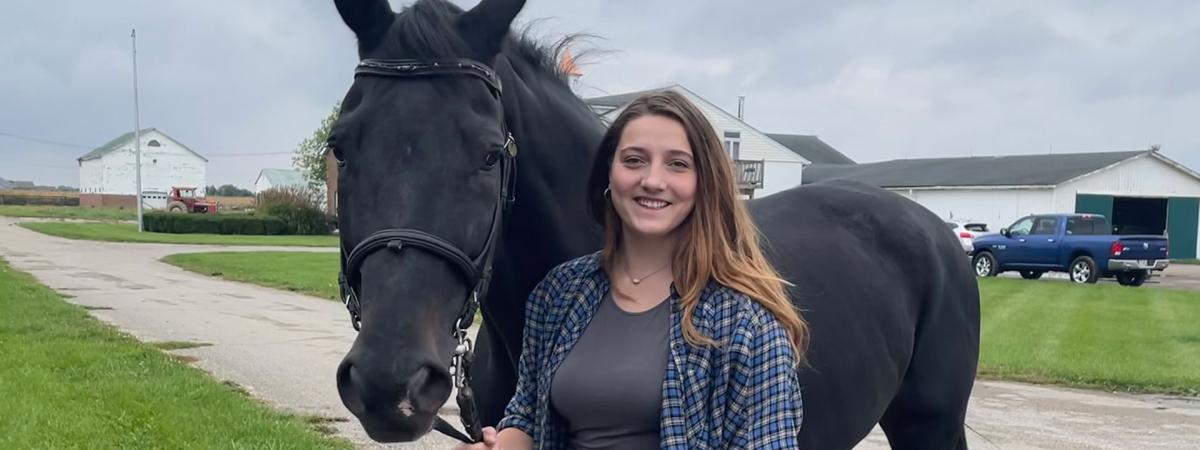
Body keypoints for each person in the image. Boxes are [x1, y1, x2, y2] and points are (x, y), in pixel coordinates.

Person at [458, 91, 807, 450]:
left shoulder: (747, 323)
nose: (653, 180)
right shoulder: (559, 293)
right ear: (609, 172)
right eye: (634, 160)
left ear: (704, 182)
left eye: (677, 164)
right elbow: (528, 418)